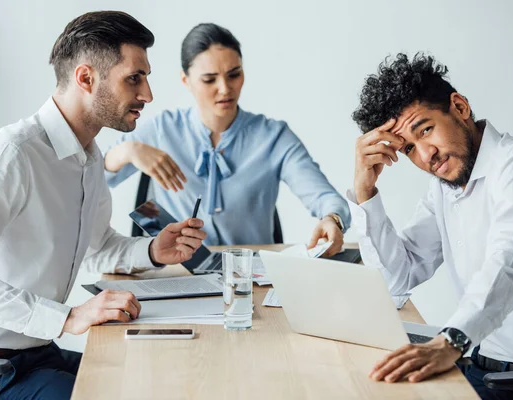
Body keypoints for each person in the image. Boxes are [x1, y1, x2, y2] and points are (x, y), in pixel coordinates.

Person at [0, 11, 206, 400]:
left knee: (159, 379)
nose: (147, 94)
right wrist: (68, 317)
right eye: (134, 78)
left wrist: (152, 250)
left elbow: (98, 248)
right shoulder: (12, 155)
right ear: (85, 78)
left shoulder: (88, 158)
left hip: (37, 355)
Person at [349, 53, 513, 399]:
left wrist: (451, 340)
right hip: (482, 365)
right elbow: (397, 279)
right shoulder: (445, 188)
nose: (425, 155)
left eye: (426, 130)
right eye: (409, 150)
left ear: (460, 107)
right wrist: (365, 193)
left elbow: (511, 262)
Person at [104, 23, 350, 256]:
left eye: (234, 75)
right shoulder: (162, 129)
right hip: (176, 274)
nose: (225, 88)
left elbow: (325, 198)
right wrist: (129, 150)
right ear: (185, 80)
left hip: (251, 276)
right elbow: (97, 178)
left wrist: (332, 219)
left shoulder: (273, 136)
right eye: (209, 79)